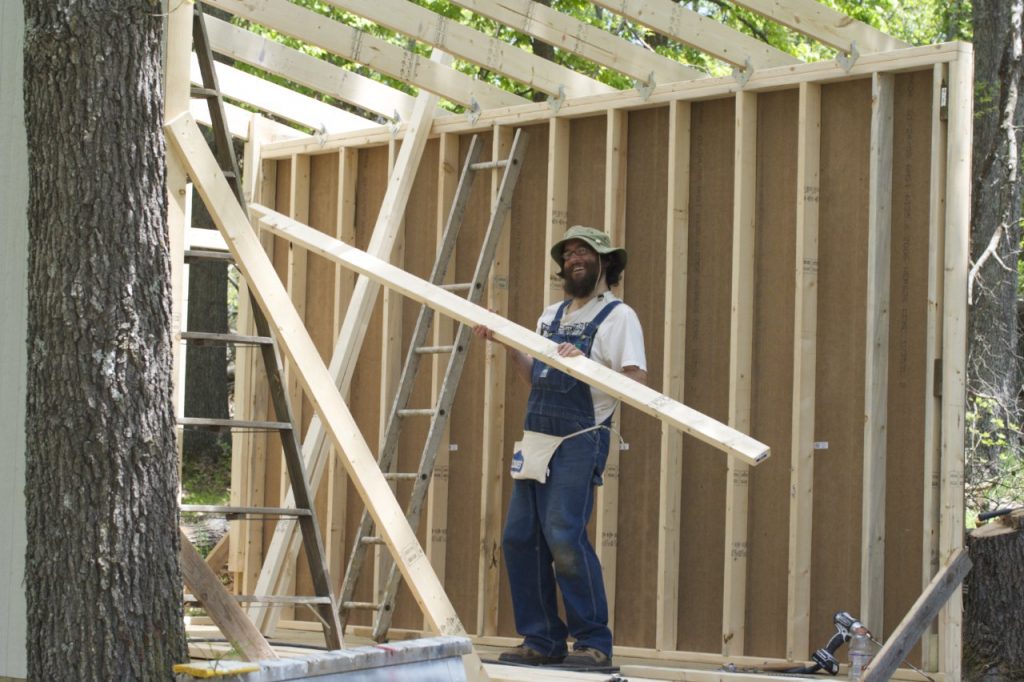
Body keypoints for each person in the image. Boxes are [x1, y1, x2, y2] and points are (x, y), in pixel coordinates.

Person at [473, 225, 647, 669]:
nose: (574, 258)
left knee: (564, 537)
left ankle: (593, 642)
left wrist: (586, 366)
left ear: (606, 262)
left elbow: (636, 382)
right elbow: (537, 378)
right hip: (536, 439)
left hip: (580, 438)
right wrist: (510, 344)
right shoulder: (550, 315)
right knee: (519, 538)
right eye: (568, 253)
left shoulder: (618, 317)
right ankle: (543, 639)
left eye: (584, 251)